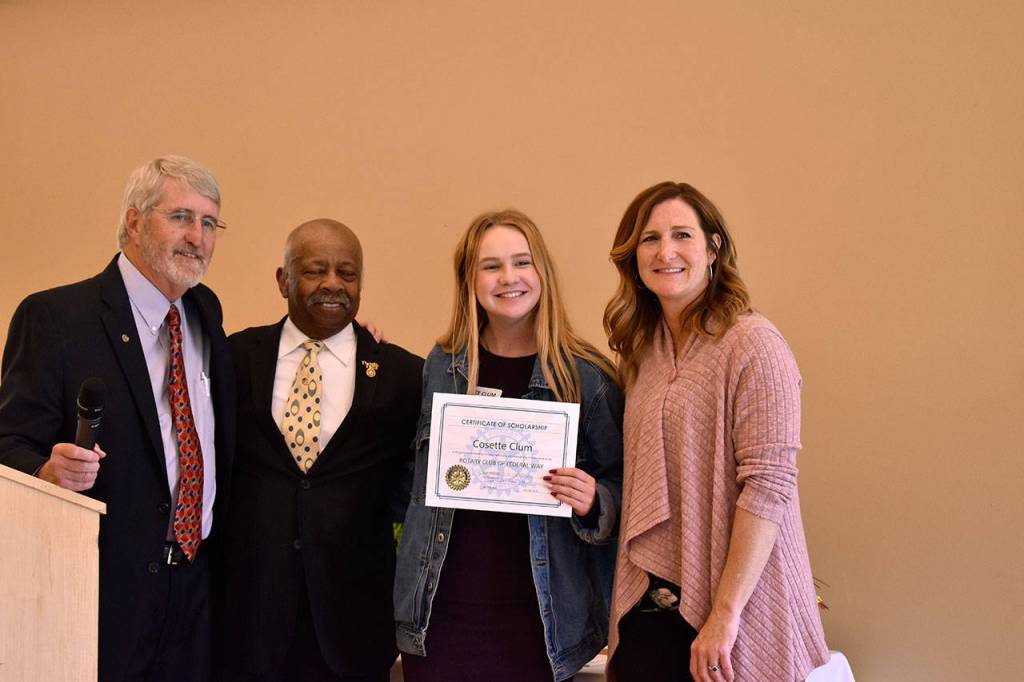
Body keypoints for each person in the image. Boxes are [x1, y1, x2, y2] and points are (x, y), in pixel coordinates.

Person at [0, 155, 235, 681]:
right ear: (133, 221)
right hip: (99, 597)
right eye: (180, 217)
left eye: (209, 222)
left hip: (194, 595)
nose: (197, 236)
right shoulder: (56, 318)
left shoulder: (205, 314)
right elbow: (8, 443)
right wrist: (45, 471)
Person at [602, 181, 829, 681]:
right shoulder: (644, 351)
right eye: (649, 239)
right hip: (650, 606)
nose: (666, 252)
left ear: (713, 247)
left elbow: (768, 487)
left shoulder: (755, 344)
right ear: (632, 256)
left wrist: (724, 615)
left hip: (733, 616)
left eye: (682, 234)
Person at [394, 209, 624, 682]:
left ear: (542, 272)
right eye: (491, 265)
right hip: (438, 614)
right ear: (469, 279)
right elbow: (409, 475)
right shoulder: (443, 365)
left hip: (539, 622)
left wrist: (594, 500)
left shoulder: (585, 377)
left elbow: (628, 489)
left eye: (522, 262)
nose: (508, 278)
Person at [213, 219, 423, 682]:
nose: (333, 284)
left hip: (352, 629)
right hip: (246, 622)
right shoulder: (232, 358)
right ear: (283, 279)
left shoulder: (403, 375)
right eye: (315, 270)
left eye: (347, 273)